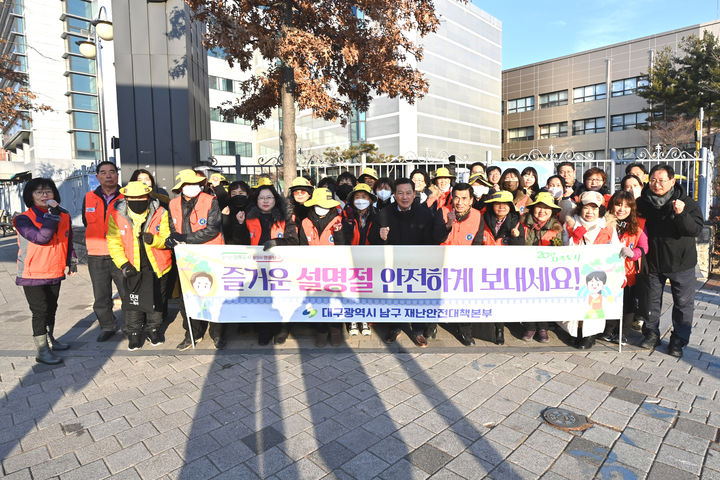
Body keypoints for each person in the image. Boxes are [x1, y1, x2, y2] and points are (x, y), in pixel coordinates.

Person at [636, 164, 703, 358]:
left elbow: (694, 230)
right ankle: (651, 334)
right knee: (651, 301)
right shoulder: (643, 203)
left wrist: (681, 214)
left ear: (672, 181)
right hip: (653, 261)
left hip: (681, 262)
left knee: (683, 303)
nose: (656, 185)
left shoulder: (686, 203)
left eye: (661, 180)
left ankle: (678, 340)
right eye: (653, 180)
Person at [378, 178, 448, 346]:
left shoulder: (424, 213)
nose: (404, 197)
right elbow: (375, 242)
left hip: (417, 265)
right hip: (393, 265)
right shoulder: (384, 213)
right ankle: (394, 327)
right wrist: (382, 238)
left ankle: (417, 330)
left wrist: (447, 226)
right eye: (400, 193)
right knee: (394, 297)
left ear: (414, 194)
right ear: (394, 195)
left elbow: (433, 239)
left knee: (417, 298)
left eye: (408, 193)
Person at [15, 178, 76, 364]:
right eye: (39, 192)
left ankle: (50, 340)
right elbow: (42, 237)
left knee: (51, 308)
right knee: (40, 311)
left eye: (48, 191)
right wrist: (52, 215)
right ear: (31, 196)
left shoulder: (63, 215)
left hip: (55, 270)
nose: (44, 195)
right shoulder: (23, 219)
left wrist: (71, 260)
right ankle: (42, 350)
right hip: (32, 273)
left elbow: (67, 238)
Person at [107, 182, 172, 350]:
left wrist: (154, 240)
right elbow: (114, 243)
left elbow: (166, 238)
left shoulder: (160, 212)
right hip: (132, 266)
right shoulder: (116, 215)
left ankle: (154, 330)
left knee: (156, 300)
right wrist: (123, 264)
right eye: (133, 198)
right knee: (132, 302)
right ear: (126, 199)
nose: (137, 201)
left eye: (141, 198)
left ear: (148, 197)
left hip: (157, 265)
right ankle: (134, 333)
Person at [167, 169, 225, 350]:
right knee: (188, 297)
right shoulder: (173, 204)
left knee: (213, 295)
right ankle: (192, 332)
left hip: (210, 256)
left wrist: (184, 239)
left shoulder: (210, 201)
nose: (192, 187)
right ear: (181, 187)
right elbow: (171, 228)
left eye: (195, 184)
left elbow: (212, 229)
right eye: (188, 184)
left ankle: (217, 333)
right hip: (185, 259)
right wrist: (172, 239)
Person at [237, 183, 298, 345]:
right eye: (261, 197)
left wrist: (276, 242)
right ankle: (264, 329)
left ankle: (282, 329)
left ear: (275, 200)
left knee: (281, 299)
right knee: (261, 299)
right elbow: (240, 242)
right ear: (256, 200)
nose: (265, 201)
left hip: (281, 268)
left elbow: (293, 241)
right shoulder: (249, 217)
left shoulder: (286, 218)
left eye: (269, 197)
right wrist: (240, 225)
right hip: (256, 267)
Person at [561, 191, 621, 349]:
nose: (590, 212)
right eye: (586, 207)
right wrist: (575, 238)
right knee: (575, 302)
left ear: (600, 209)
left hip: (598, 273)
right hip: (574, 270)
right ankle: (575, 332)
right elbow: (563, 247)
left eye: (594, 208)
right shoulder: (570, 223)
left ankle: (590, 334)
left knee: (594, 303)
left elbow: (615, 249)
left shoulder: (608, 226)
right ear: (580, 208)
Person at [83, 160, 125, 342]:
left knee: (126, 292)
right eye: (104, 172)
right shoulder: (89, 197)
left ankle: (132, 326)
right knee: (101, 295)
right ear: (97, 176)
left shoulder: (126, 196)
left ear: (117, 174)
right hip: (96, 253)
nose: (108, 175)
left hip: (121, 253)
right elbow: (86, 223)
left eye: (112, 171)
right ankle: (108, 326)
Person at [476, 190, 526, 345]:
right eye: (498, 204)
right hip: (483, 267)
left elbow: (519, 250)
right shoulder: (481, 220)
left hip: (505, 269)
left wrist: (516, 237)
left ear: (511, 207)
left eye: (505, 204)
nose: (501, 207)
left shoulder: (517, 223)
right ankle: (484, 328)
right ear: (492, 206)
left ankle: (499, 329)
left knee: (499, 300)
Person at [299, 188, 347, 346]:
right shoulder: (305, 223)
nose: (322, 207)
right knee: (317, 300)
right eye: (319, 204)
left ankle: (335, 329)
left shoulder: (339, 221)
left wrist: (339, 233)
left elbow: (343, 247)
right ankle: (321, 330)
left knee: (335, 301)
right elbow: (302, 246)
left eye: (326, 204)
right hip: (313, 269)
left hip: (334, 269)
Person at [440, 183, 484, 346]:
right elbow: (435, 237)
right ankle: (431, 326)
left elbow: (478, 242)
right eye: (456, 197)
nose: (460, 202)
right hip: (442, 263)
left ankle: (465, 331)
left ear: (471, 200)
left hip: (465, 266)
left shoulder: (478, 216)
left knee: (464, 299)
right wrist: (447, 225)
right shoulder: (443, 212)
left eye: (464, 198)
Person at [601, 190, 648, 344]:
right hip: (606, 270)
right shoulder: (603, 222)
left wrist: (633, 253)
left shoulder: (639, 223)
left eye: (627, 206)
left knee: (627, 303)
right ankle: (608, 330)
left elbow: (644, 247)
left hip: (628, 272)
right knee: (608, 299)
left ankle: (623, 333)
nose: (622, 209)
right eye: (618, 205)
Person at [521, 192, 563, 342]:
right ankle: (530, 326)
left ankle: (543, 327)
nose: (542, 211)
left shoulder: (557, 228)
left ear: (552, 211)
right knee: (528, 298)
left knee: (545, 299)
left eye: (547, 208)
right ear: (532, 209)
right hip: (526, 269)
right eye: (539, 207)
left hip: (547, 271)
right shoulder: (523, 225)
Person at [341, 183, 380, 336]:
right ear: (352, 200)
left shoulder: (377, 216)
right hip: (350, 258)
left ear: (370, 200)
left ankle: (364, 318)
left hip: (369, 259)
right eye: (357, 197)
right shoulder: (345, 216)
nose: (361, 200)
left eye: (364, 197)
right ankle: (352, 319)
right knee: (350, 289)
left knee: (366, 290)